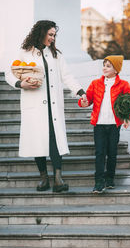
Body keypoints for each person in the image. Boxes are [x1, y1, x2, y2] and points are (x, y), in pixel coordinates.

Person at [5, 20, 87, 193]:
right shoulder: (24, 53)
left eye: (54, 35)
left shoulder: (55, 54)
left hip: (53, 106)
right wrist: (21, 84)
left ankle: (58, 179)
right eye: (50, 34)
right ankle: (44, 179)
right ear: (41, 33)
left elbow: (67, 76)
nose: (52, 38)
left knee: (55, 141)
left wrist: (80, 92)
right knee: (37, 141)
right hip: (34, 106)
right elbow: (8, 73)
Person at [78, 55, 130, 193]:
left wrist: (128, 118)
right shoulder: (95, 83)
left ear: (116, 70)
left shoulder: (123, 85)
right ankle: (99, 182)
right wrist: (83, 102)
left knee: (112, 153)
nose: (104, 68)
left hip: (114, 125)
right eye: (104, 65)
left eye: (108, 66)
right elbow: (87, 99)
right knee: (100, 153)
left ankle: (110, 178)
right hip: (99, 124)